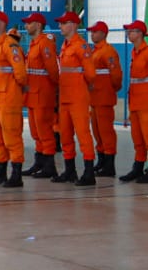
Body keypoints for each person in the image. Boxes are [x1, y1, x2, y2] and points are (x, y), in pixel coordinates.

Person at [0, 11, 29, 187]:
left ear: (2, 23)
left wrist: (14, 92)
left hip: (8, 101)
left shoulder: (10, 45)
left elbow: (21, 74)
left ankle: (16, 175)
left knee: (12, 138)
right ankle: (0, 173)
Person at [53, 11, 98, 185]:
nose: (60, 26)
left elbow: (91, 74)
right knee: (65, 135)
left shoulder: (81, 46)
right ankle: (69, 170)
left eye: (63, 23)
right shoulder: (65, 46)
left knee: (83, 134)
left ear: (72, 25)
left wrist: (82, 86)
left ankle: (89, 172)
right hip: (65, 97)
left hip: (77, 97)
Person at [119, 21, 148, 185]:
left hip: (147, 103)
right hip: (136, 103)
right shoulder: (135, 52)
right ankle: (138, 167)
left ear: (139, 33)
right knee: (137, 138)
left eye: (131, 31)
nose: (128, 34)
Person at [22, 13, 61, 178]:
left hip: (43, 95)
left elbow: (53, 70)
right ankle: (39, 162)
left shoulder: (45, 44)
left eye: (29, 23)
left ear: (38, 25)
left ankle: (49, 165)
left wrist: (53, 90)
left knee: (45, 131)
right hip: (33, 95)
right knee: (36, 132)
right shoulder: (34, 44)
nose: (26, 26)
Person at [86, 20, 123, 177]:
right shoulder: (94, 51)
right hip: (95, 99)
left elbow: (116, 76)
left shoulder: (108, 52)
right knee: (97, 131)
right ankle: (101, 160)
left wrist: (111, 89)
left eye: (95, 32)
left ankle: (109, 165)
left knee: (106, 132)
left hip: (104, 98)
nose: (92, 34)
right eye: (92, 32)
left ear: (103, 33)